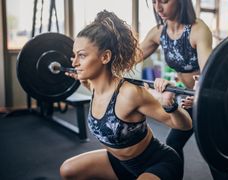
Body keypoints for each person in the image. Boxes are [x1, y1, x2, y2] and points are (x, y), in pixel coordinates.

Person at [59, 10, 192, 180]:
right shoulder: (93, 87)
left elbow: (185, 125)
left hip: (157, 164)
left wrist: (170, 105)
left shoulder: (129, 94)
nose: (74, 62)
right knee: (68, 170)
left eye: (82, 56)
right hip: (120, 163)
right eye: (74, 55)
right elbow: (83, 79)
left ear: (105, 57)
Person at [139, 0, 228, 179]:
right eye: (154, 1)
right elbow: (130, 58)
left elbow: (207, 73)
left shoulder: (198, 30)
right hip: (191, 97)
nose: (158, 7)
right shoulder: (159, 32)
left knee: (212, 154)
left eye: (164, 1)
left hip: (208, 98)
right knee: (173, 142)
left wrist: (199, 92)